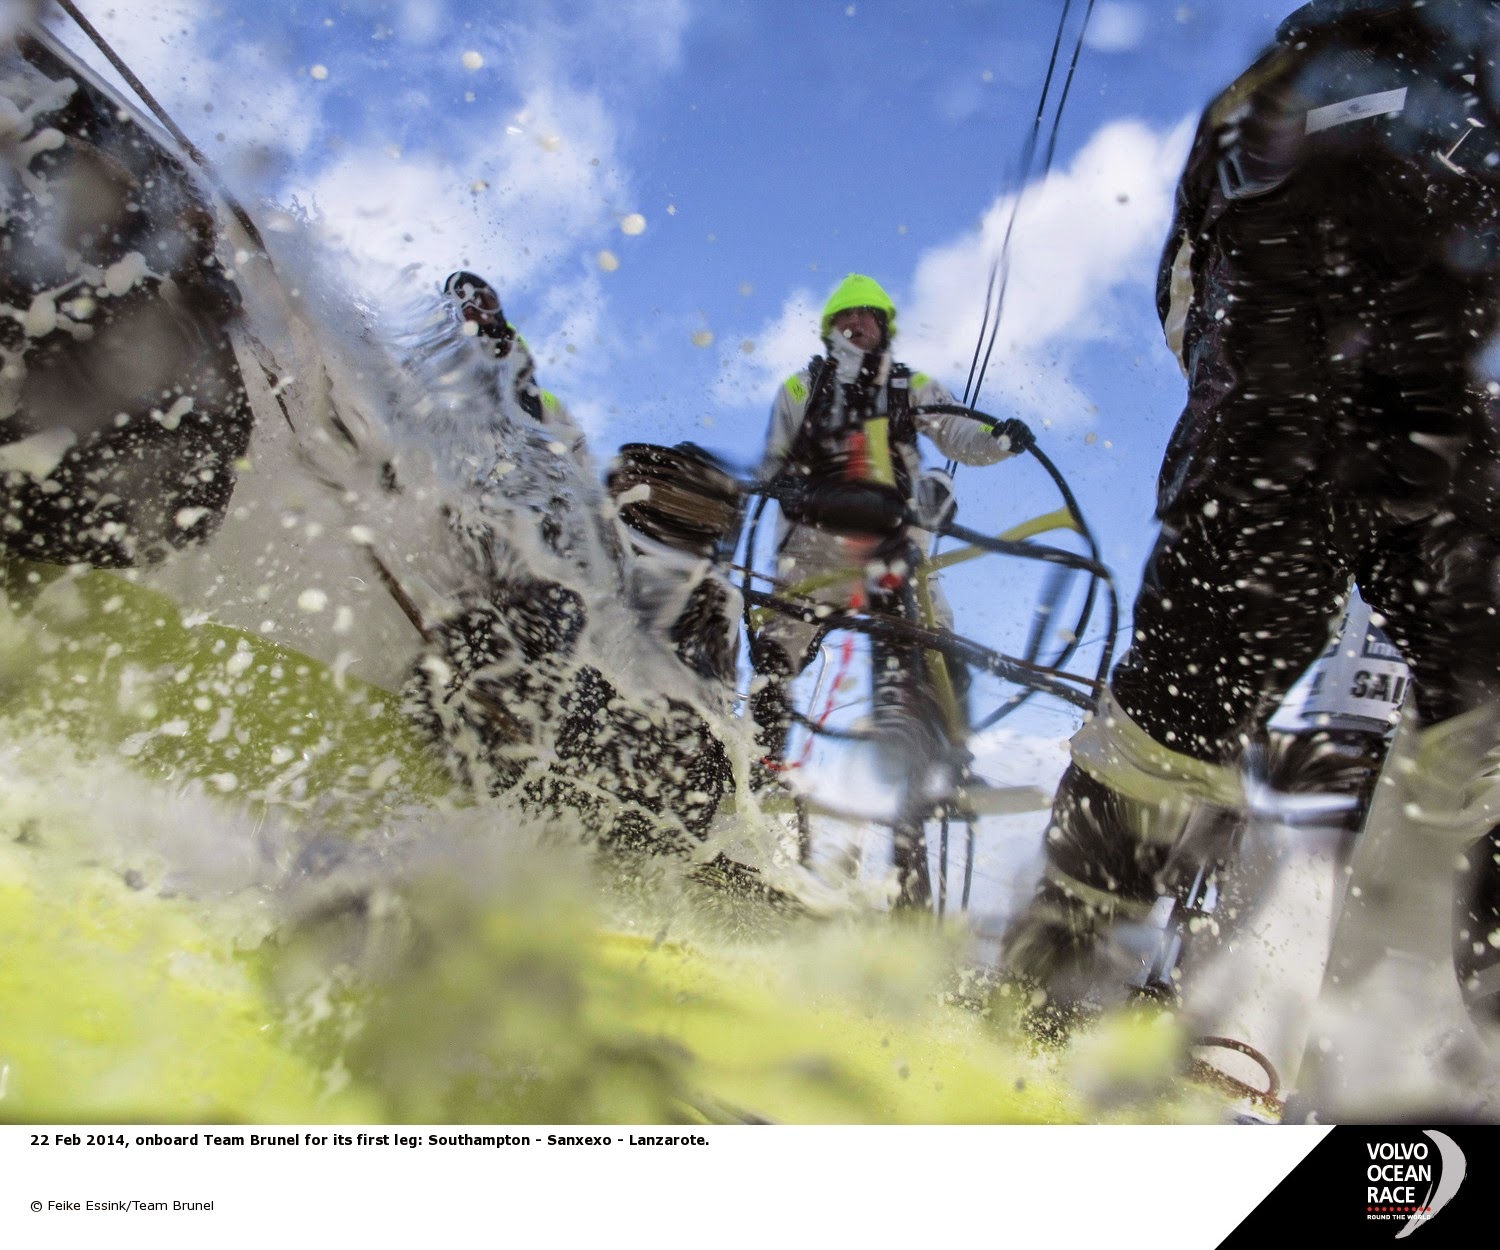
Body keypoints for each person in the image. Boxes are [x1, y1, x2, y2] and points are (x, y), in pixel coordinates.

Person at [1000, 0, 1500, 1030]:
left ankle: (1046, 985)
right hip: (1299, 328)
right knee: (1216, 648)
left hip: (1418, 377)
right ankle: (1048, 979)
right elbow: (1193, 275)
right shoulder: (1316, 65)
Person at [750, 273, 1015, 782]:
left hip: (896, 547)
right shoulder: (800, 387)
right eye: (845, 316)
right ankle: (760, 762)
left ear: (883, 327)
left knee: (936, 641)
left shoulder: (912, 385)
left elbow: (959, 434)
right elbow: (774, 462)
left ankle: (950, 763)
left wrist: (998, 437)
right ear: (829, 328)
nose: (855, 323)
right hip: (813, 549)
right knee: (775, 652)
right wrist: (777, 483)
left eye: (866, 315)